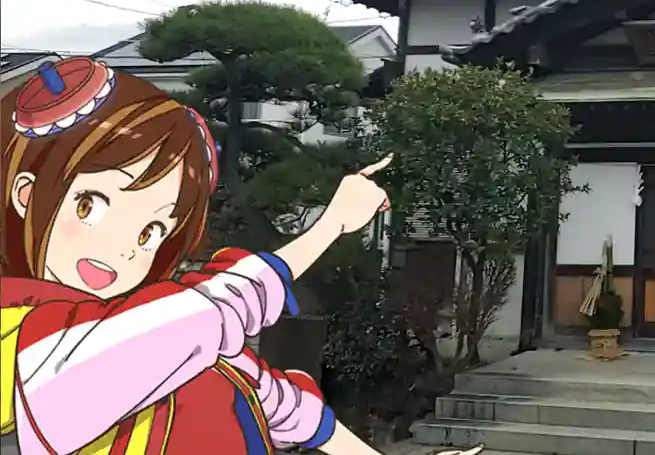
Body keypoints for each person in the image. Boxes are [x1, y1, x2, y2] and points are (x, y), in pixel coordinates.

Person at [0, 57, 479, 455]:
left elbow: (278, 402)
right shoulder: (28, 333)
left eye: (151, 232)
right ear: (25, 194)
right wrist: (328, 227)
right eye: (92, 205)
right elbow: (200, 316)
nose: (124, 247)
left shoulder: (156, 327)